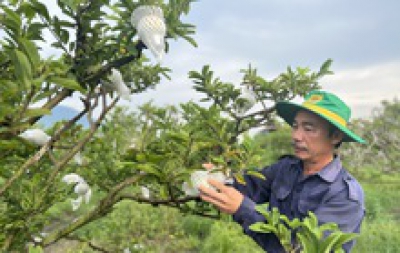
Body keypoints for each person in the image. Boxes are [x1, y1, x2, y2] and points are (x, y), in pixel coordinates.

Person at [199, 90, 366, 253]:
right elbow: (250, 186)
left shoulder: (345, 196)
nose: (296, 136)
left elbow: (299, 249)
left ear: (335, 136)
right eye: (295, 126)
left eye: (308, 129)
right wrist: (216, 175)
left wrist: (243, 208)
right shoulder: (286, 168)